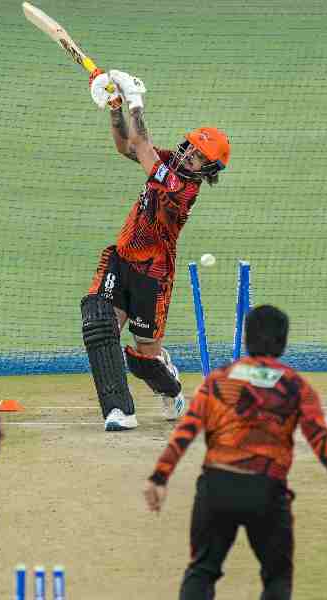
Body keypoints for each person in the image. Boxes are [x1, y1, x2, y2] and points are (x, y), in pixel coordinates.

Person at [143, 305, 327, 599]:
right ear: (283, 341)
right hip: (266, 492)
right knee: (276, 578)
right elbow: (325, 444)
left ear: (247, 338)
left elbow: (185, 431)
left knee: (202, 571)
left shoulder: (218, 380)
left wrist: (159, 478)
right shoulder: (295, 385)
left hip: (216, 488)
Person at [81, 68, 231, 431]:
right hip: (122, 259)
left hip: (153, 276)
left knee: (145, 359)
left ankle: (169, 383)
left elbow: (144, 147)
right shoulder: (169, 164)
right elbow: (128, 146)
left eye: (196, 156)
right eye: (189, 146)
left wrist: (136, 103)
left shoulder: (182, 192)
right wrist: (115, 106)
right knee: (100, 325)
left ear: (205, 171)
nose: (186, 155)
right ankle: (119, 410)